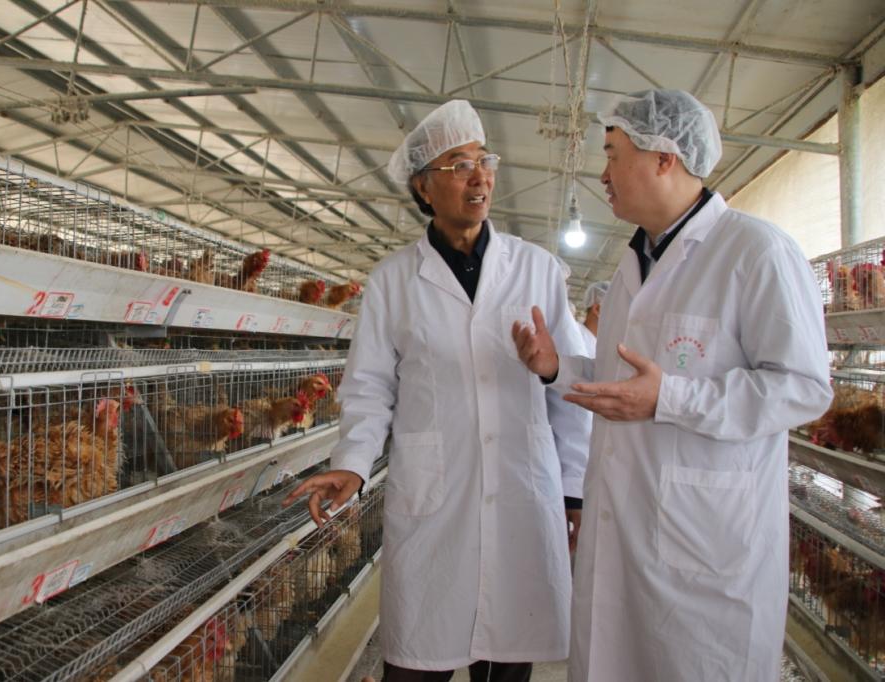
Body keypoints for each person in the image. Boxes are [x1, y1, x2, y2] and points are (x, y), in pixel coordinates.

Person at [511, 89, 832, 682]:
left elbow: (803, 387)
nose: (603, 175)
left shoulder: (756, 251)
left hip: (705, 544)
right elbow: (625, 384)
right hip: (624, 531)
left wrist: (672, 399)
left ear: (664, 158)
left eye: (613, 155)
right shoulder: (633, 264)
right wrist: (557, 368)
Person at [285, 99, 591, 682]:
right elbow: (369, 387)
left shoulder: (538, 270)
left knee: (508, 661)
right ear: (424, 188)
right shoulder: (393, 281)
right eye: (459, 165)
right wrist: (352, 463)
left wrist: (573, 488)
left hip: (521, 493)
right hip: (435, 502)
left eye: (484, 162)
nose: (479, 178)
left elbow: (565, 386)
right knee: (416, 663)